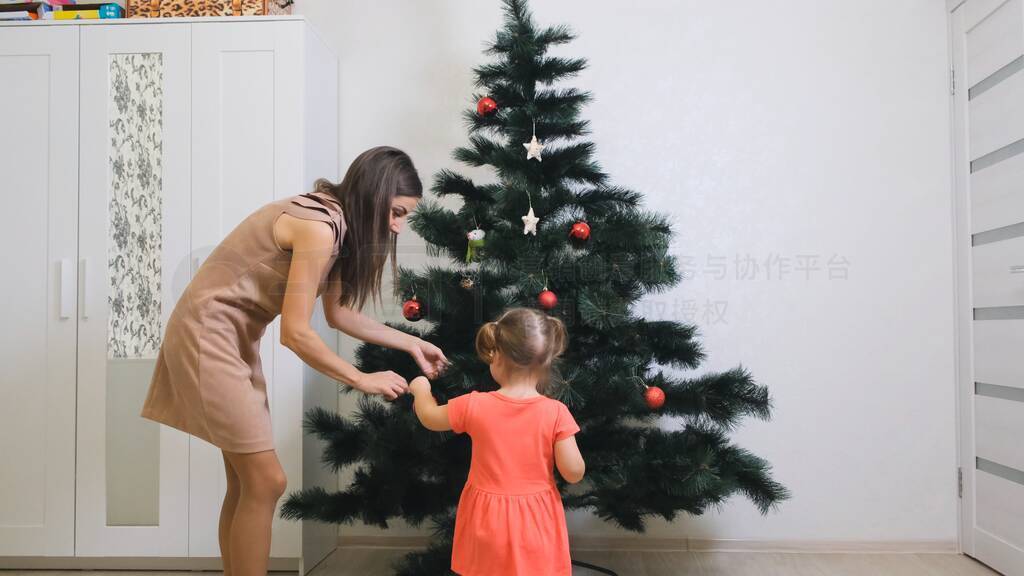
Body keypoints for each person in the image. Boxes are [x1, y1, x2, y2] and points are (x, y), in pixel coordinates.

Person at [140, 146, 449, 576]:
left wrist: (410, 344)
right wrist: (362, 379)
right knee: (267, 481)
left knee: (248, 482)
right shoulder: (318, 228)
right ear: (374, 195)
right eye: (395, 212)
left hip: (232, 339)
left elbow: (337, 313)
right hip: (206, 336)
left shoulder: (336, 226)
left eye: (403, 217)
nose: (397, 227)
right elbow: (295, 332)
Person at [409, 307, 585, 576]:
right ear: (546, 360)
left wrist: (421, 389)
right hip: (537, 520)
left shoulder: (476, 405)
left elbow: (430, 417)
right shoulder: (556, 412)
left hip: (487, 519)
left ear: (498, 357)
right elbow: (573, 473)